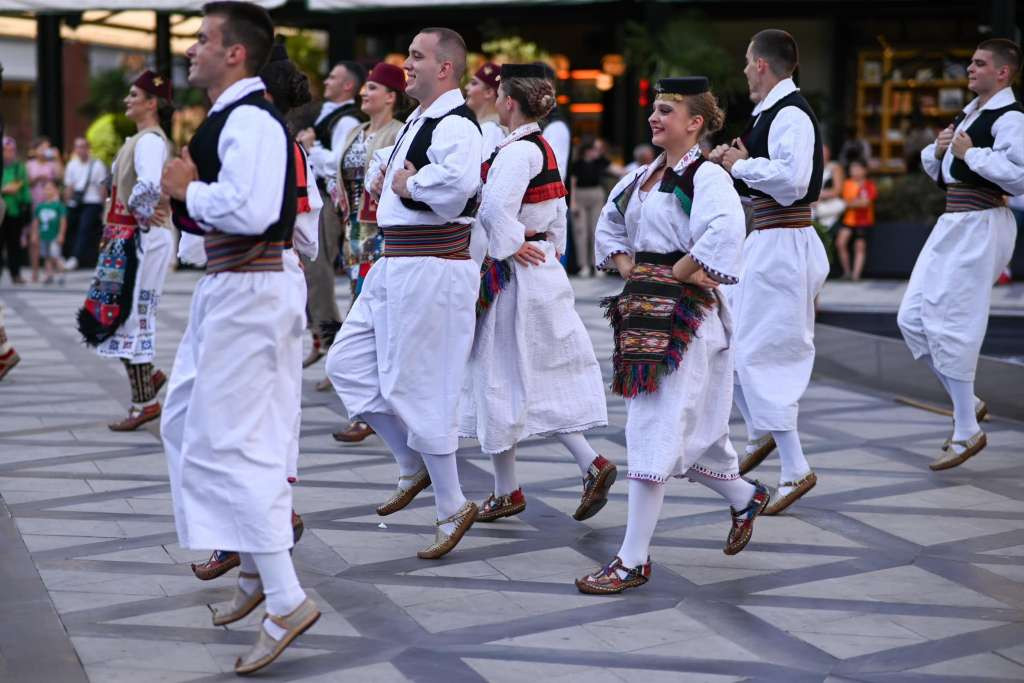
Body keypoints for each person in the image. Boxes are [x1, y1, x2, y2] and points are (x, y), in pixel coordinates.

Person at [160, 3, 318, 673]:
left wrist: (188, 192)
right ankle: (255, 568)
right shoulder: (233, 118)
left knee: (233, 441)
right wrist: (185, 196)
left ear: (235, 53)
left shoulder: (250, 120)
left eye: (203, 39)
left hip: (252, 290)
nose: (191, 49)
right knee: (185, 422)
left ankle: (285, 596)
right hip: (233, 288)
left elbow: (251, 212)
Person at [577, 77, 769, 595]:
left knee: (655, 428)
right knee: (681, 435)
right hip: (646, 312)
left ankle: (632, 560)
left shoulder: (705, 177)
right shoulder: (642, 176)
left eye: (666, 110)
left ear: (695, 122)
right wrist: (631, 269)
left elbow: (725, 230)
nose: (654, 117)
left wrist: (677, 272)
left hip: (686, 320)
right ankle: (744, 496)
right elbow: (610, 226)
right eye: (654, 109)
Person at [325, 26, 483, 560]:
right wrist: (387, 178)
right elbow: (389, 172)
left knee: (419, 384)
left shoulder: (456, 124)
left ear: (445, 68)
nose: (407, 65)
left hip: (431, 267)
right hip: (396, 262)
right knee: (346, 363)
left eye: (417, 56)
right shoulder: (422, 118)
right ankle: (412, 463)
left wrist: (408, 185)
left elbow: (456, 188)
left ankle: (452, 503)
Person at [188, 35, 319, 583]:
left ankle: (253, 535)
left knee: (240, 413)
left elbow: (223, 226)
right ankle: (260, 535)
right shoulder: (284, 146)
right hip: (272, 273)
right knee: (260, 409)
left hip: (254, 277)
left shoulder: (258, 141)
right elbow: (309, 238)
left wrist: (189, 198)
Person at [459, 63, 613, 523]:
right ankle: (524, 483)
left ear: (509, 102)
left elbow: (493, 210)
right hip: (538, 268)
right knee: (525, 374)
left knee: (496, 373)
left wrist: (512, 244)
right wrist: (548, 247)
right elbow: (558, 208)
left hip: (514, 276)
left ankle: (543, 478)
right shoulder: (540, 146)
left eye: (499, 94)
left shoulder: (515, 152)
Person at [709, 29, 829, 515]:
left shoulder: (791, 114)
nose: (743, 71)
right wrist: (728, 166)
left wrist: (741, 165)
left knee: (767, 349)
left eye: (746, 62)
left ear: (761, 64)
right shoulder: (771, 114)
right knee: (733, 339)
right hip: (769, 239)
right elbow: (765, 181)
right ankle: (763, 432)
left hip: (785, 243)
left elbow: (792, 181)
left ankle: (794, 466)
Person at [898, 38, 1024, 471]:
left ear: (1003, 72)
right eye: (971, 62)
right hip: (953, 222)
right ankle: (966, 402)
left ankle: (967, 427)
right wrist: (938, 151)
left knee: (953, 321)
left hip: (982, 223)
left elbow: (1018, 176)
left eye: (979, 63)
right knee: (912, 318)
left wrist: (971, 153)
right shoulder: (971, 113)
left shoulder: (1011, 118)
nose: (970, 68)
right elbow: (944, 170)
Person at [76, 71, 176, 431]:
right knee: (123, 312)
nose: (127, 100)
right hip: (132, 235)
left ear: (152, 102)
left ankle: (144, 401)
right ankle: (148, 383)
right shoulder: (140, 140)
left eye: (134, 95)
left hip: (141, 237)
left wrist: (143, 213)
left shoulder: (149, 141)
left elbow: (148, 185)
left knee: (131, 314)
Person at [332, 62, 407, 445]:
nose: (365, 93)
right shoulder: (356, 132)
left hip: (382, 237)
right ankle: (374, 405)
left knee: (373, 320)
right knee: (361, 310)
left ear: (391, 96)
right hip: (355, 235)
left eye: (373, 88)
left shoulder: (399, 132)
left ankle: (372, 407)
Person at [296, 61, 367, 370]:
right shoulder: (327, 113)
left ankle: (331, 341)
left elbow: (338, 164)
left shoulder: (347, 119)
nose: (326, 81)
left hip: (329, 201)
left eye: (333, 77)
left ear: (348, 85)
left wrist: (310, 147)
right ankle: (321, 337)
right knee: (309, 268)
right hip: (317, 197)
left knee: (318, 269)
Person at [63, 137, 109, 269]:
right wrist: (67, 203)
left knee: (84, 228)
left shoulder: (97, 165)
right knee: (70, 227)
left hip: (92, 202)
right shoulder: (72, 165)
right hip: (75, 202)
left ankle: (75, 258)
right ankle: (69, 255)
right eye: (77, 147)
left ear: (88, 148)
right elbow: (69, 186)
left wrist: (104, 208)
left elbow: (102, 188)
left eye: (83, 147)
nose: (80, 150)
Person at [570, 136, 613, 276]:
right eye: (595, 149)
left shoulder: (600, 161)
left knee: (596, 231)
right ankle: (583, 266)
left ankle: (597, 265)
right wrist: (573, 202)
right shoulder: (576, 164)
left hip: (596, 195)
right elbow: (573, 183)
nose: (597, 151)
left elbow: (615, 169)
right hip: (580, 195)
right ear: (587, 150)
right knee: (581, 231)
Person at [25, 137, 63, 282]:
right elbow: (25, 183)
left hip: (51, 206)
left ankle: (49, 271)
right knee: (34, 239)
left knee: (51, 238)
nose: (45, 150)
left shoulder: (52, 163)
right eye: (42, 147)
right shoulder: (29, 164)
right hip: (35, 204)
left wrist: (57, 158)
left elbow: (60, 176)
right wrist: (37, 179)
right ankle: (35, 271)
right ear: (35, 150)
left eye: (48, 147)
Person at [835, 159, 877, 280]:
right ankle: (847, 272)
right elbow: (842, 200)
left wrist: (848, 203)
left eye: (858, 168)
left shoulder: (869, 185)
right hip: (848, 220)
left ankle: (856, 276)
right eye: (852, 169)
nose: (854, 171)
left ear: (864, 170)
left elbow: (865, 203)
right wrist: (853, 203)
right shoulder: (846, 183)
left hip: (863, 221)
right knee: (840, 243)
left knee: (859, 247)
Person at [1, 136, 31, 284]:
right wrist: (4, 190)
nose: (10, 153)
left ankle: (16, 273)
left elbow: (23, 187)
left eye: (12, 150)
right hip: (1, 210)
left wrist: (26, 204)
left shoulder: (19, 167)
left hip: (14, 210)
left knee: (14, 244)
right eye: (6, 150)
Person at [465, 61, 505, 160]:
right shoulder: (486, 126)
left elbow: (483, 168)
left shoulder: (491, 129)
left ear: (488, 93)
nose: (466, 87)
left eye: (474, 83)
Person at [31, 178, 66, 285]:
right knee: (46, 256)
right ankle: (49, 275)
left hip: (54, 235)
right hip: (44, 235)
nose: (47, 191)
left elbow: (63, 221)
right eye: (45, 189)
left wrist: (61, 234)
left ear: (56, 190)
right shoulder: (40, 206)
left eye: (50, 189)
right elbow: (36, 222)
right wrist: (35, 234)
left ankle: (61, 273)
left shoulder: (58, 206)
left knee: (55, 255)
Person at [812, 142, 845, 231]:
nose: (822, 155)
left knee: (840, 205)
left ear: (829, 154)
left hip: (829, 203)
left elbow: (837, 190)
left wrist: (818, 196)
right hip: (813, 204)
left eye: (824, 152)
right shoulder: (811, 167)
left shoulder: (834, 167)